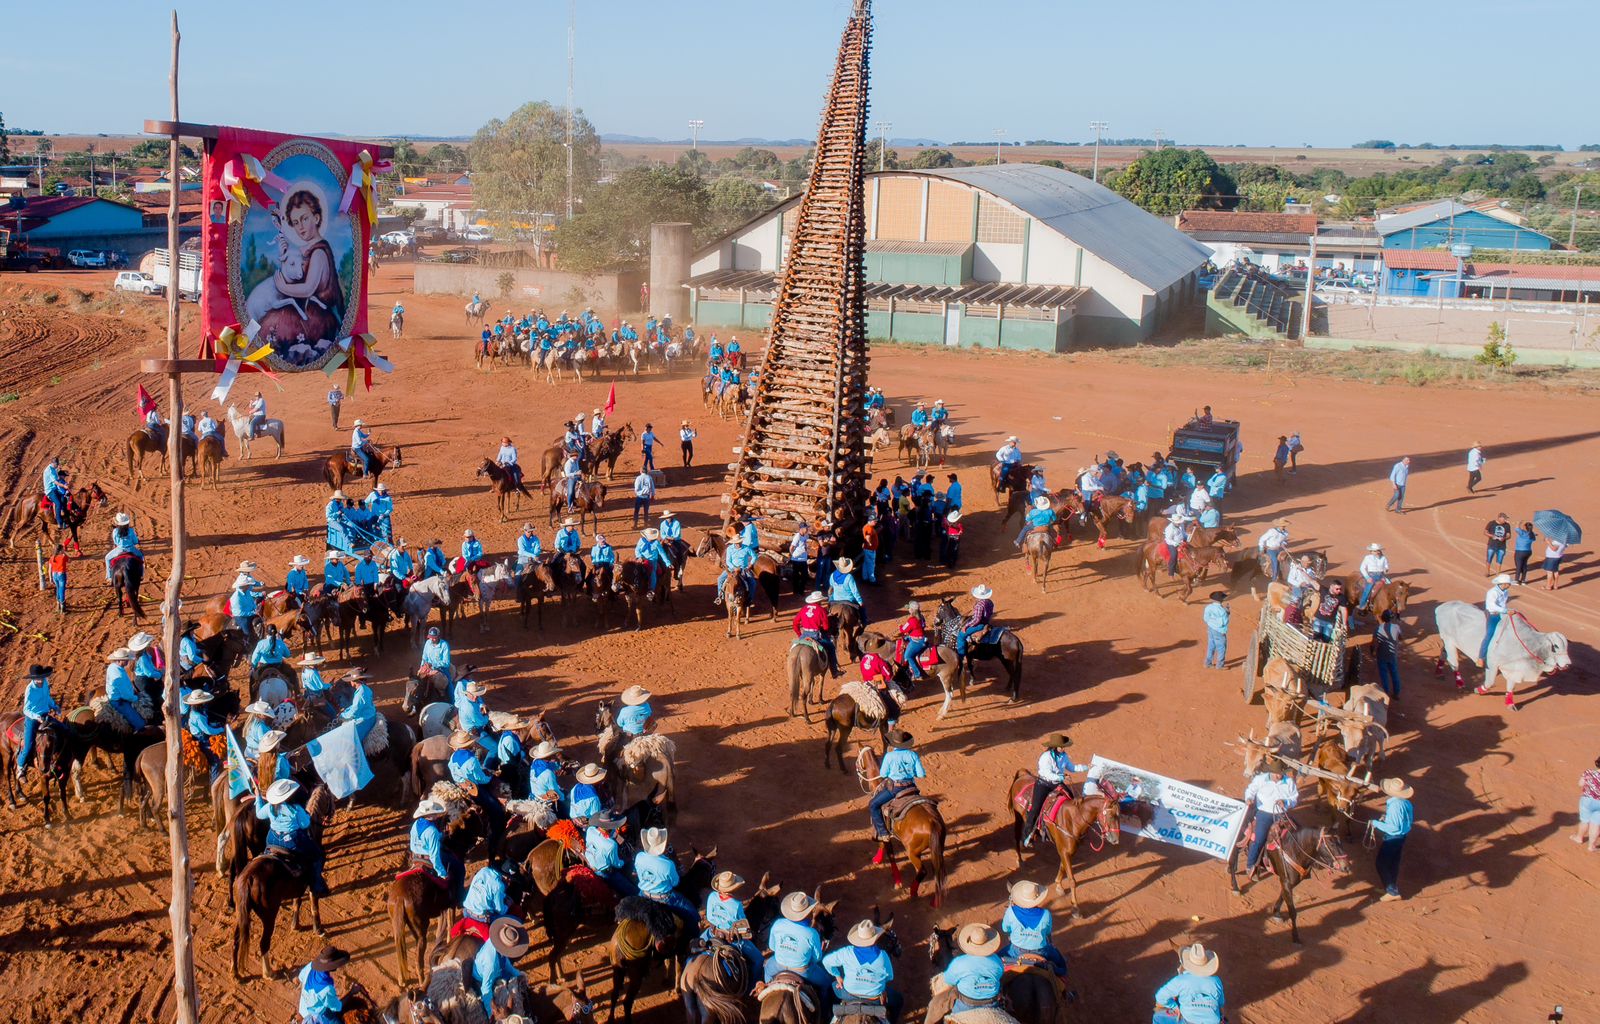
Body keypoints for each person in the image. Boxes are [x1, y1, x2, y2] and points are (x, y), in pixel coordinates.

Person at [257, 778, 328, 896]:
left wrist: (258, 798)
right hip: (292, 840)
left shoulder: (270, 807)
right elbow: (305, 824)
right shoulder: (296, 809)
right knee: (318, 855)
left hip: (272, 838)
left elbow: (259, 814)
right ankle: (316, 886)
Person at [822, 919, 900, 1024]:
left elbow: (826, 961)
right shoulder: (883, 956)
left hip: (848, 994)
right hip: (875, 1000)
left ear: (857, 938)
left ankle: (830, 1017)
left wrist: (837, 976)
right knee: (898, 1000)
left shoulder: (846, 952)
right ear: (875, 938)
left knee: (829, 990)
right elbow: (890, 977)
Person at [1023, 733, 1087, 846]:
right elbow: (1045, 773)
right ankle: (1027, 836)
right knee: (1035, 809)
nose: (1063, 748)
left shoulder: (1064, 756)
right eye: (1061, 746)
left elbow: (1072, 768)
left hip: (1057, 784)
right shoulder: (1046, 757)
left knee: (1071, 799)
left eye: (1064, 746)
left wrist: (1086, 767)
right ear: (1055, 747)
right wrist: (1061, 777)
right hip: (1044, 784)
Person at [765, 889, 832, 995]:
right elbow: (817, 958)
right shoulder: (812, 933)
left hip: (777, 964)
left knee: (767, 971)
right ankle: (824, 1010)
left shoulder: (778, 923)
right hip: (803, 971)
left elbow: (772, 947)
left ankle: (767, 991)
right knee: (826, 983)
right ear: (807, 911)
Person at [701, 871, 762, 981]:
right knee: (759, 960)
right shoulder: (736, 905)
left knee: (697, 945)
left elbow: (709, 918)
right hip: (730, 939)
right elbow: (742, 924)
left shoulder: (712, 896)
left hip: (712, 933)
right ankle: (752, 987)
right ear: (733, 888)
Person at [999, 880, 1067, 976]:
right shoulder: (1046, 914)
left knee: (997, 959)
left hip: (1015, 950)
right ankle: (1060, 975)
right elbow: (1047, 932)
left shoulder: (1011, 912)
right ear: (1037, 898)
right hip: (1042, 951)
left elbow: (1005, 929)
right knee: (1061, 963)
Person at [868, 729, 924, 843]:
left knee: (873, 805)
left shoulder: (889, 756)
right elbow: (921, 774)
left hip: (895, 789)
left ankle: (883, 833)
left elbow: (883, 774)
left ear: (893, 743)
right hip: (911, 787)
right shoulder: (913, 754)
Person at [1243, 761, 1298, 876]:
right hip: (1264, 813)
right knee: (1260, 839)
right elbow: (1250, 790)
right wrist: (1248, 798)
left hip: (1281, 814)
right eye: (1277, 774)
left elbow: (1294, 799)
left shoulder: (1289, 782)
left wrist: (1286, 802)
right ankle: (1250, 865)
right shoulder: (1260, 779)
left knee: (1295, 834)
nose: (1279, 776)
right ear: (1271, 772)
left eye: (1281, 774)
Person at [939, 924, 1005, 1016]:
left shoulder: (959, 962)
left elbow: (949, 980)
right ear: (988, 942)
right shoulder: (997, 961)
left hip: (965, 1004)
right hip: (992, 1004)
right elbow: (999, 975)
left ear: (969, 942)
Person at [1152, 943, 1225, 1024]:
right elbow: (1221, 1003)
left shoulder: (1180, 980)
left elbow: (1160, 997)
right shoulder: (1216, 980)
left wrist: (1175, 1007)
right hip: (1214, 1021)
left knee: (1157, 1017)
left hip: (1189, 1021)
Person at [635, 826, 696, 922]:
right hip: (664, 898)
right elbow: (675, 883)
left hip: (643, 894)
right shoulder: (668, 864)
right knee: (692, 913)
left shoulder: (639, 857)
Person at [409, 798, 465, 900]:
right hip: (428, 858)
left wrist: (440, 835)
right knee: (459, 867)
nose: (437, 815)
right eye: (435, 813)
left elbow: (413, 843)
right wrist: (442, 874)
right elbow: (435, 856)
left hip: (416, 856)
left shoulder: (415, 824)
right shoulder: (432, 831)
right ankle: (460, 897)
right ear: (431, 815)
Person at [474, 917, 529, 1014]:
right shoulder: (491, 963)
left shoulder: (495, 941)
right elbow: (486, 988)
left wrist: (517, 974)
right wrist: (491, 1013)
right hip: (483, 980)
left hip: (496, 970)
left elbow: (506, 963)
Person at [17, 665, 58, 781]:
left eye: (41, 677)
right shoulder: (30, 689)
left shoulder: (45, 683)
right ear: (33, 678)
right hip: (32, 718)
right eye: (37, 678)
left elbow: (47, 698)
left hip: (45, 715)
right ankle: (20, 768)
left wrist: (55, 706)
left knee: (63, 729)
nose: (40, 680)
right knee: (28, 745)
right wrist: (36, 717)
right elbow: (26, 709)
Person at [296, 945, 353, 1024]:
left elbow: (301, 978)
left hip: (303, 1009)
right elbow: (336, 1007)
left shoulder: (310, 965)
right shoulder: (326, 987)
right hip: (316, 1016)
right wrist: (352, 992)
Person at [103, 648, 146, 731]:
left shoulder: (112, 666)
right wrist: (137, 698)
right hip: (119, 701)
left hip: (117, 695)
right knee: (140, 723)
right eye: (125, 660)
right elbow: (126, 695)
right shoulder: (118, 676)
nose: (127, 662)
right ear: (119, 660)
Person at [461, 861, 512, 929]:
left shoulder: (484, 870)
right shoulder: (499, 885)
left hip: (466, 911)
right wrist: (508, 905)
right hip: (481, 918)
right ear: (507, 877)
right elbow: (500, 910)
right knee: (511, 917)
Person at [714, 538, 757, 608]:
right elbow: (728, 561)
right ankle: (720, 596)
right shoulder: (730, 549)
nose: (738, 544)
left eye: (739, 542)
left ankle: (749, 600)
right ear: (734, 542)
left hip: (743, 569)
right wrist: (734, 568)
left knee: (753, 583)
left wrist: (750, 565)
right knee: (720, 579)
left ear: (741, 541)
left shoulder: (746, 548)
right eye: (736, 542)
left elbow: (755, 556)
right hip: (731, 569)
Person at [1480, 574, 1512, 662]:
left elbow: (1503, 604)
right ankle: (1481, 657)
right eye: (1509, 583)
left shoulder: (1505, 592)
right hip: (1492, 614)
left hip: (1501, 613)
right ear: (1503, 584)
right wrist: (1505, 611)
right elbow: (1492, 606)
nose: (1510, 585)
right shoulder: (1492, 592)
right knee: (1490, 634)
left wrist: (1507, 611)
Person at [104, 511, 143, 582]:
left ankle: (109, 577)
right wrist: (136, 542)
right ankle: (141, 575)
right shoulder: (131, 530)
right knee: (141, 556)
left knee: (107, 558)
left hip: (119, 549)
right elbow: (135, 541)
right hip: (131, 549)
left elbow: (115, 541)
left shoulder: (115, 531)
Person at [1372, 610, 1403, 699]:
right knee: (1394, 673)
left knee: (1384, 674)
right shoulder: (1396, 627)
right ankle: (1396, 693)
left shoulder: (1378, 628)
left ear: (1382, 618)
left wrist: (1373, 651)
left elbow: (1374, 642)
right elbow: (1401, 638)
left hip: (1381, 654)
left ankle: (1385, 694)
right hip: (1393, 654)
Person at [957, 584, 993, 659]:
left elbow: (977, 620)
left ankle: (961, 657)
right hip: (987, 622)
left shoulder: (979, 605)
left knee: (961, 636)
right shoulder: (989, 602)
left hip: (980, 625)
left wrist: (966, 626)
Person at [634, 528, 673, 594]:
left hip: (652, 560)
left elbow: (662, 553)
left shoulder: (656, 543)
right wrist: (639, 557)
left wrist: (668, 563)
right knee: (634, 570)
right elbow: (637, 550)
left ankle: (651, 590)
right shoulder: (641, 540)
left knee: (652, 573)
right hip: (641, 559)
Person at [1574, 755, 1600, 852]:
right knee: (1596, 824)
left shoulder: (1589, 772)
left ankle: (1579, 838)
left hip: (1587, 800)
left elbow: (1580, 784)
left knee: (1584, 820)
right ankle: (1591, 846)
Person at [897, 601, 928, 681]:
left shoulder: (911, 620)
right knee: (907, 638)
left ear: (912, 610)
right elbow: (923, 626)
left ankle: (917, 674)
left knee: (907, 656)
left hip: (916, 641)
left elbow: (903, 630)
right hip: (921, 638)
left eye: (909, 608)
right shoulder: (921, 617)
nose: (908, 610)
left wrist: (900, 626)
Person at [1357, 542, 1390, 611]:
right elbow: (1362, 568)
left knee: (1390, 585)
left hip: (1381, 575)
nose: (1377, 552)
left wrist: (1386, 569)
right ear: (1371, 552)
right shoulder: (1367, 558)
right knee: (1368, 589)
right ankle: (1362, 604)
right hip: (1371, 576)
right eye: (1375, 551)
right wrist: (1367, 577)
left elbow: (1386, 566)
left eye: (1378, 550)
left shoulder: (1383, 558)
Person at [1202, 590, 1229, 670]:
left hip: (1210, 629)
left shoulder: (1208, 607)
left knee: (1211, 645)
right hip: (1219, 631)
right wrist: (1227, 613)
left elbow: (1205, 619)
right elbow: (1225, 622)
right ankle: (1220, 665)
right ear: (1221, 600)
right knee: (1221, 647)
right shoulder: (1223, 611)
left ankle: (1208, 663)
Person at [47, 543, 69, 613]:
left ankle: (58, 604)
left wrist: (50, 578)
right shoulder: (63, 557)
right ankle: (62, 606)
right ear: (60, 550)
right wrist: (64, 553)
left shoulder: (52, 558)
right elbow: (70, 560)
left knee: (58, 588)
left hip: (54, 575)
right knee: (62, 589)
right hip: (61, 574)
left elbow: (49, 569)